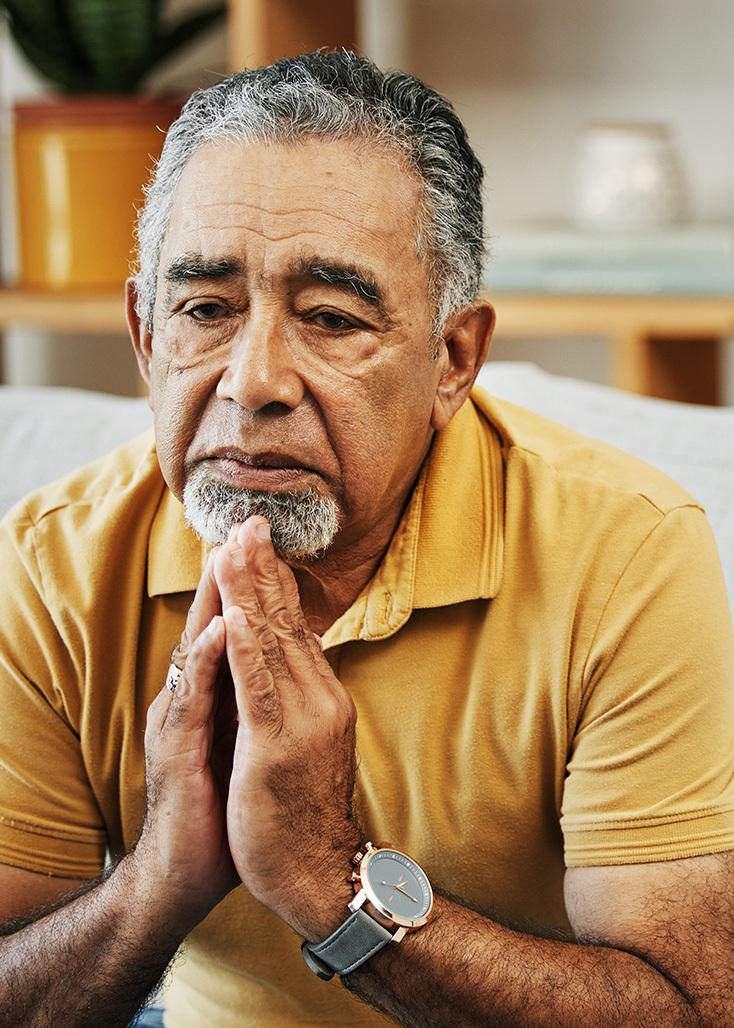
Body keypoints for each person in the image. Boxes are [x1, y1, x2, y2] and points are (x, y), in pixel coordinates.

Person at [0, 49, 733, 1028]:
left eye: (332, 316)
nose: (252, 378)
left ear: (452, 357)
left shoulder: (626, 551)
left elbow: (687, 1007)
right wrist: (159, 879)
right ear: (144, 333)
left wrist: (324, 877)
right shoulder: (49, 567)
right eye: (205, 309)